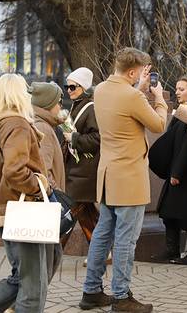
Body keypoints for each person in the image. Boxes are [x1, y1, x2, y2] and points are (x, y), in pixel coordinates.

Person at [80, 48, 167, 313]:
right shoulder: (132, 96)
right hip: (129, 178)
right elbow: (158, 125)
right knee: (126, 240)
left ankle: (91, 291)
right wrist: (160, 99)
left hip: (108, 177)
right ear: (132, 72)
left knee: (102, 235)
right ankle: (121, 296)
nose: (143, 76)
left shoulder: (102, 89)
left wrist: (137, 90)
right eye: (141, 72)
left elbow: (124, 108)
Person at [0, 74, 54, 313]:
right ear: (18, 95)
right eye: (25, 91)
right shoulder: (17, 124)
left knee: (20, 278)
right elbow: (15, 171)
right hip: (21, 209)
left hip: (5, 210)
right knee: (33, 287)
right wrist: (39, 185)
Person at [149, 75, 187, 265]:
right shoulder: (183, 111)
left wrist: (177, 172)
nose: (178, 92)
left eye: (182, 89)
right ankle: (172, 250)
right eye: (177, 89)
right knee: (168, 211)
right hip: (176, 169)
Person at [62, 67, 101, 264]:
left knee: (69, 211)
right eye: (67, 86)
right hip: (78, 169)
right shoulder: (77, 105)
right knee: (85, 213)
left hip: (84, 171)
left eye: (73, 86)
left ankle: (54, 251)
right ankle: (101, 251)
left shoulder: (91, 108)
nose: (68, 90)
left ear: (83, 87)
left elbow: (97, 138)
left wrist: (74, 138)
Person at [31, 81, 67, 281]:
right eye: (58, 103)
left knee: (51, 257)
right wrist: (56, 195)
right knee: (47, 261)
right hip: (45, 206)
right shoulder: (42, 127)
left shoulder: (44, 124)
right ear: (48, 105)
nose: (61, 107)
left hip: (44, 205)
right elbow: (42, 170)